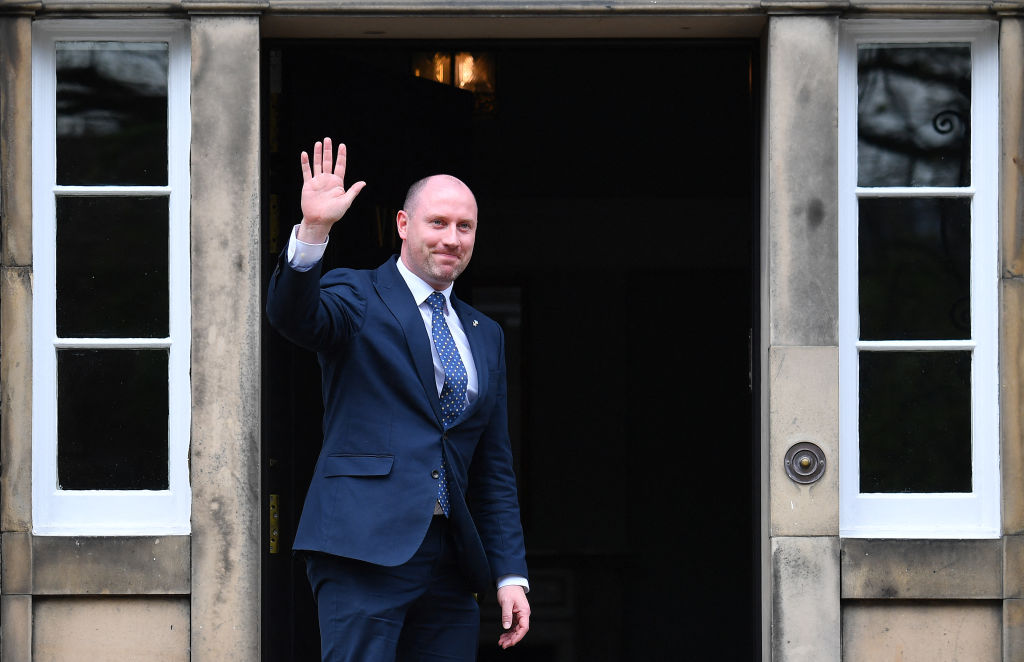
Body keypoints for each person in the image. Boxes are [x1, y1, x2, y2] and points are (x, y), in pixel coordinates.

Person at [266, 137, 531, 661]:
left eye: (465, 227)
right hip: (362, 548)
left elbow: (493, 466)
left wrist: (510, 574)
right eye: (438, 223)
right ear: (404, 225)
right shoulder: (358, 294)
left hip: (451, 562)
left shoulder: (485, 333)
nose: (451, 238)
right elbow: (294, 318)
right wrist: (313, 231)